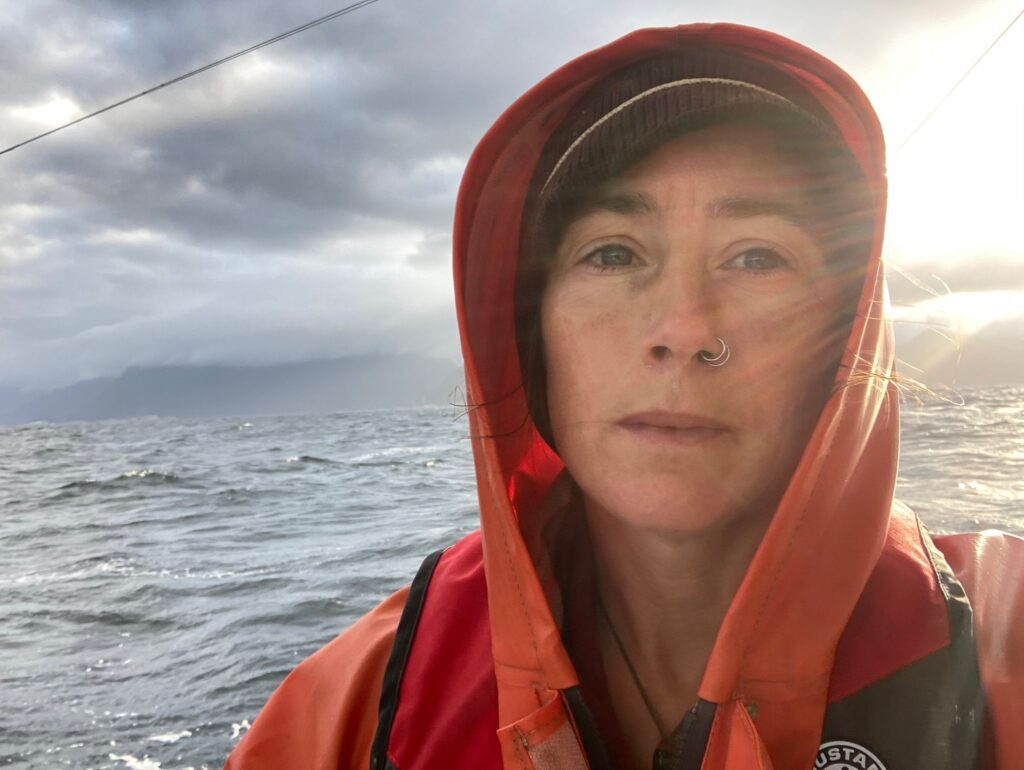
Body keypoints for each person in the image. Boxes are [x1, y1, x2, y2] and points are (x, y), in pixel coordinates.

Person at [224, 23, 1024, 770]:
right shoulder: (352, 713)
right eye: (611, 254)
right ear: (532, 335)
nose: (683, 329)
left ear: (847, 335)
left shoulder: (999, 652)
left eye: (757, 258)